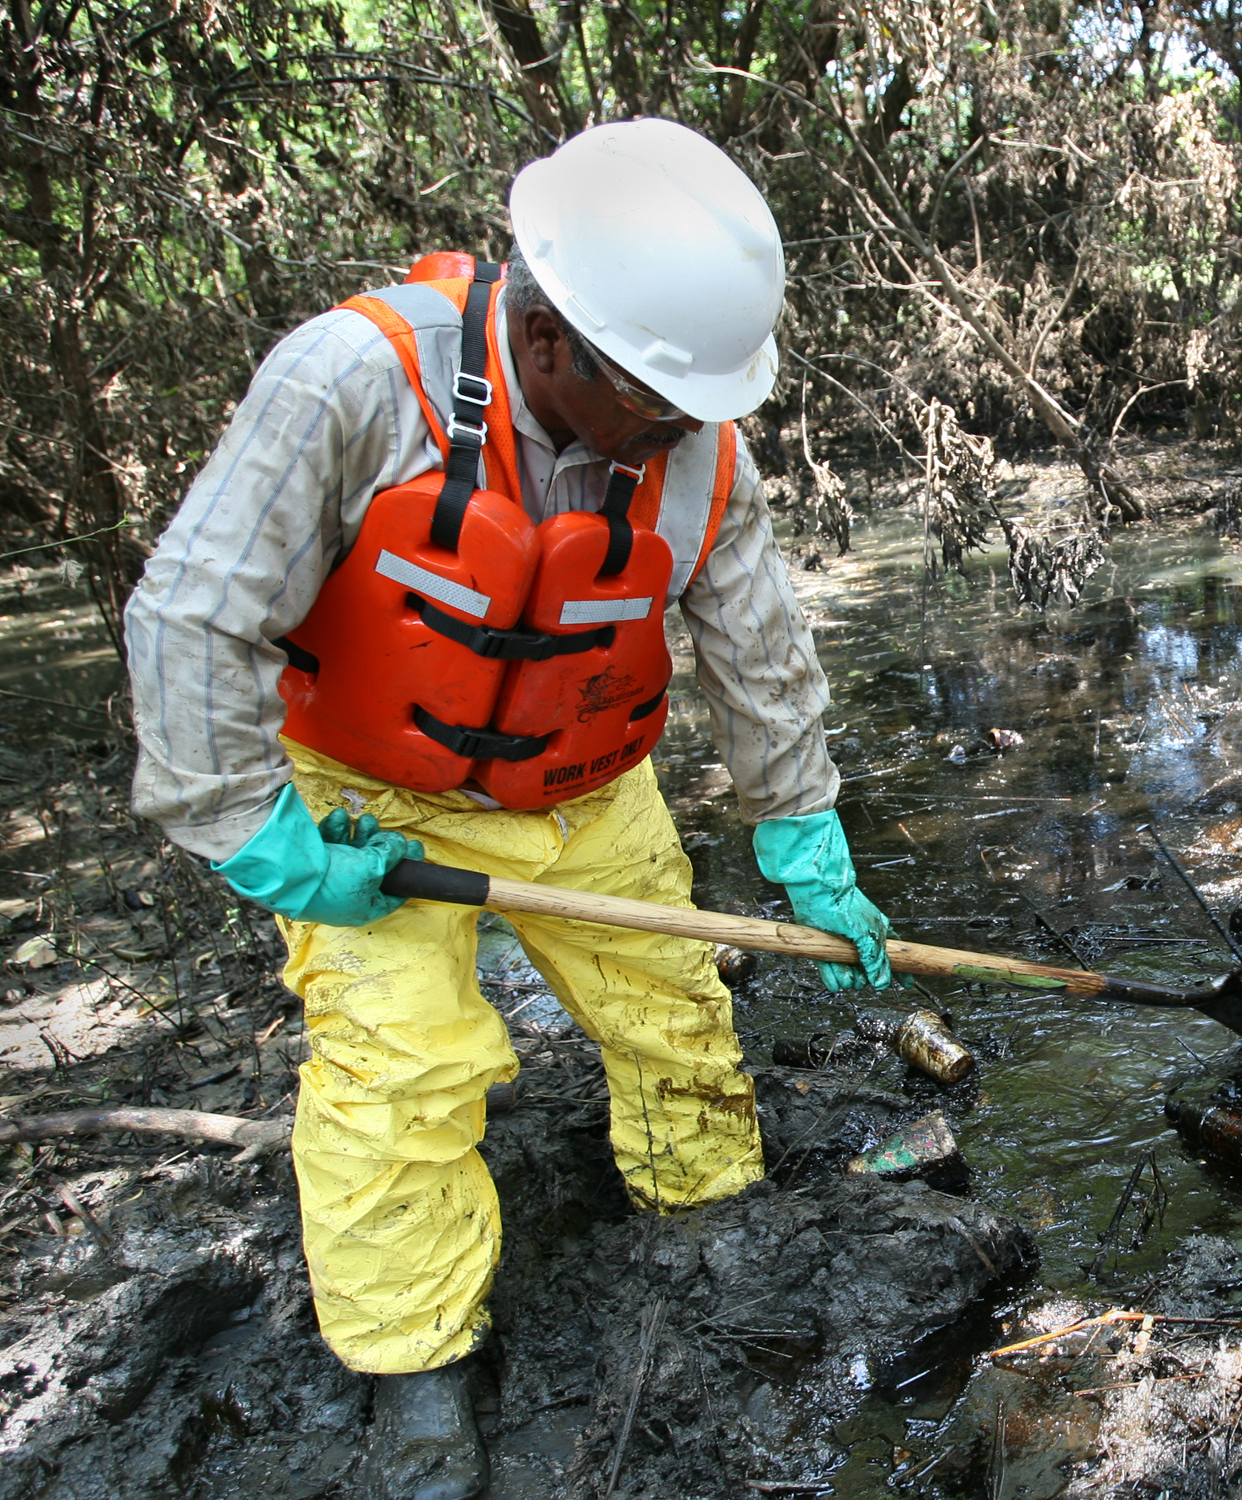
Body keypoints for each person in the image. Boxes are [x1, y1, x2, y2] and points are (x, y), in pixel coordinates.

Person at [121, 119, 894, 1500]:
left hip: (590, 788)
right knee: (400, 1070)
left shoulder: (696, 447)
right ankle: (417, 1371)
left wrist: (803, 832)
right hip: (367, 800)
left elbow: (761, 650)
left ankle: (704, 1224)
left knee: (675, 1011)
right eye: (654, 401)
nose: (677, 432)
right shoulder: (353, 383)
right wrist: (262, 839)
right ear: (547, 344)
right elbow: (191, 619)